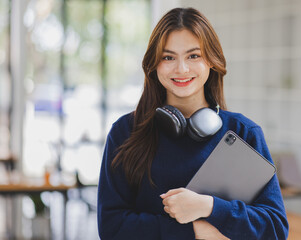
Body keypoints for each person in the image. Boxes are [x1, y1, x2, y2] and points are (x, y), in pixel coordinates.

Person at [97, 7, 288, 240]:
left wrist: (209, 207)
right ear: (154, 64)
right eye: (168, 57)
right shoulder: (126, 132)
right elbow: (111, 228)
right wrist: (193, 231)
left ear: (211, 61)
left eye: (193, 56)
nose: (181, 69)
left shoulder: (243, 132)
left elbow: (275, 229)